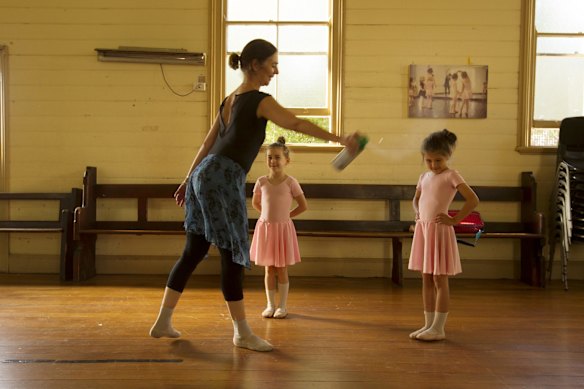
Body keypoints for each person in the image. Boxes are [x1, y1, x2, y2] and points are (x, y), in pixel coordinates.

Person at [148, 39, 359, 352]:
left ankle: (163, 320)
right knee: (233, 254)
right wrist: (340, 138)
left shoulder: (229, 99)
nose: (276, 70)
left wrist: (187, 180)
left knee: (194, 249)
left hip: (204, 174)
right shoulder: (260, 100)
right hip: (222, 177)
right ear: (256, 64)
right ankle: (242, 332)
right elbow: (296, 123)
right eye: (273, 64)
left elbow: (205, 146)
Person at [408, 129, 479, 341]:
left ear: (447, 156)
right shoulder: (424, 176)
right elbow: (416, 198)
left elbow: (473, 200)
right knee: (426, 278)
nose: (433, 165)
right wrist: (417, 215)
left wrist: (455, 220)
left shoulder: (451, 175)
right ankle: (428, 325)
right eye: (428, 160)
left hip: (439, 231)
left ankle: (439, 327)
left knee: (440, 278)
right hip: (425, 230)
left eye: (438, 160)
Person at [250, 137, 306, 319]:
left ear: (286, 160)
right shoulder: (261, 182)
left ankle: (282, 306)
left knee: (281, 268)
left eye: (277, 157)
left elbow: (303, 206)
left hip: (282, 230)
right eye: (269, 157)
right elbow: (256, 203)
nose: (273, 161)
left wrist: (285, 217)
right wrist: (266, 218)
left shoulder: (291, 182)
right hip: (266, 230)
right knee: (268, 268)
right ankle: (270, 305)